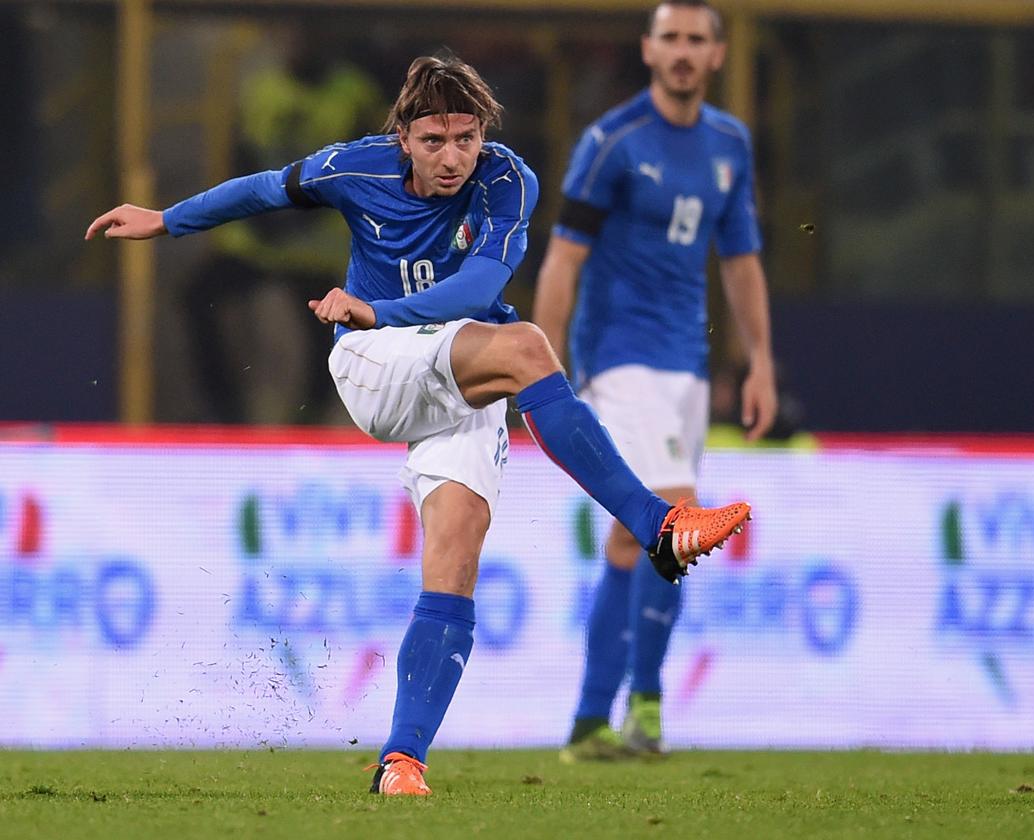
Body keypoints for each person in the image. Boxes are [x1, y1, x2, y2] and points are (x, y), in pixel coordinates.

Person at [86, 53, 750, 796]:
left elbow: (479, 285)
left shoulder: (508, 181)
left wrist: (380, 305)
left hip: (451, 366)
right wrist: (168, 220)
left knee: (456, 559)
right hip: (374, 364)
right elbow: (267, 190)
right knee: (528, 345)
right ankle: (658, 526)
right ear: (402, 135)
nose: (452, 157)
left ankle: (400, 762)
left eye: (466, 138)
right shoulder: (355, 167)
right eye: (434, 140)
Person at [533, 0, 777, 762]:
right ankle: (645, 705)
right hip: (616, 356)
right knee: (677, 515)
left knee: (630, 539)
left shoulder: (730, 144)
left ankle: (586, 722)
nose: (680, 50)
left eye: (694, 39)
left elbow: (739, 260)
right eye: (668, 37)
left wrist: (760, 360)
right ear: (647, 49)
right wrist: (544, 368)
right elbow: (563, 261)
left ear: (716, 54)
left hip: (687, 366)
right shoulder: (611, 142)